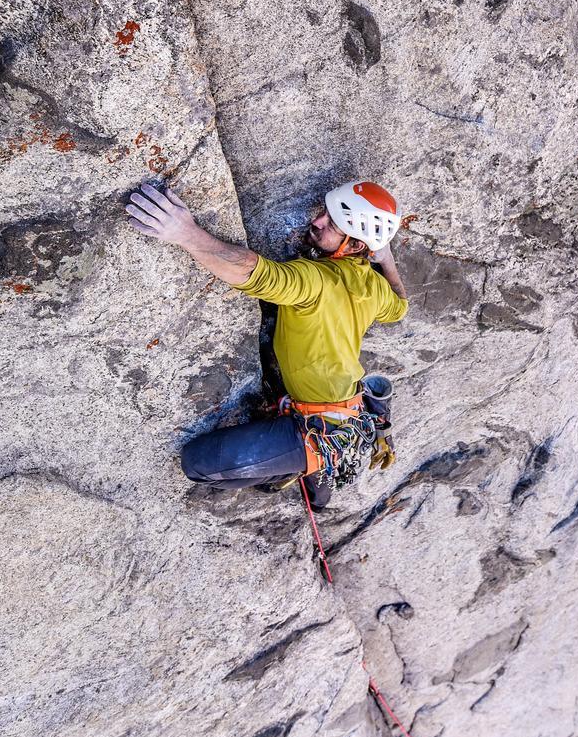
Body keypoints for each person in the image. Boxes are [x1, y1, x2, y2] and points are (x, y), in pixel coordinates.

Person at [126, 179, 408, 505]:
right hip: (345, 413)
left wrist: (185, 233)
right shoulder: (373, 287)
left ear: (356, 246)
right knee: (316, 495)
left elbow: (251, 271)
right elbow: (400, 306)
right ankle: (313, 472)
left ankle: (307, 465)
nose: (316, 222)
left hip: (318, 429)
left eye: (331, 224)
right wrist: (385, 260)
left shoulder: (315, 281)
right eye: (324, 213)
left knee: (197, 463)